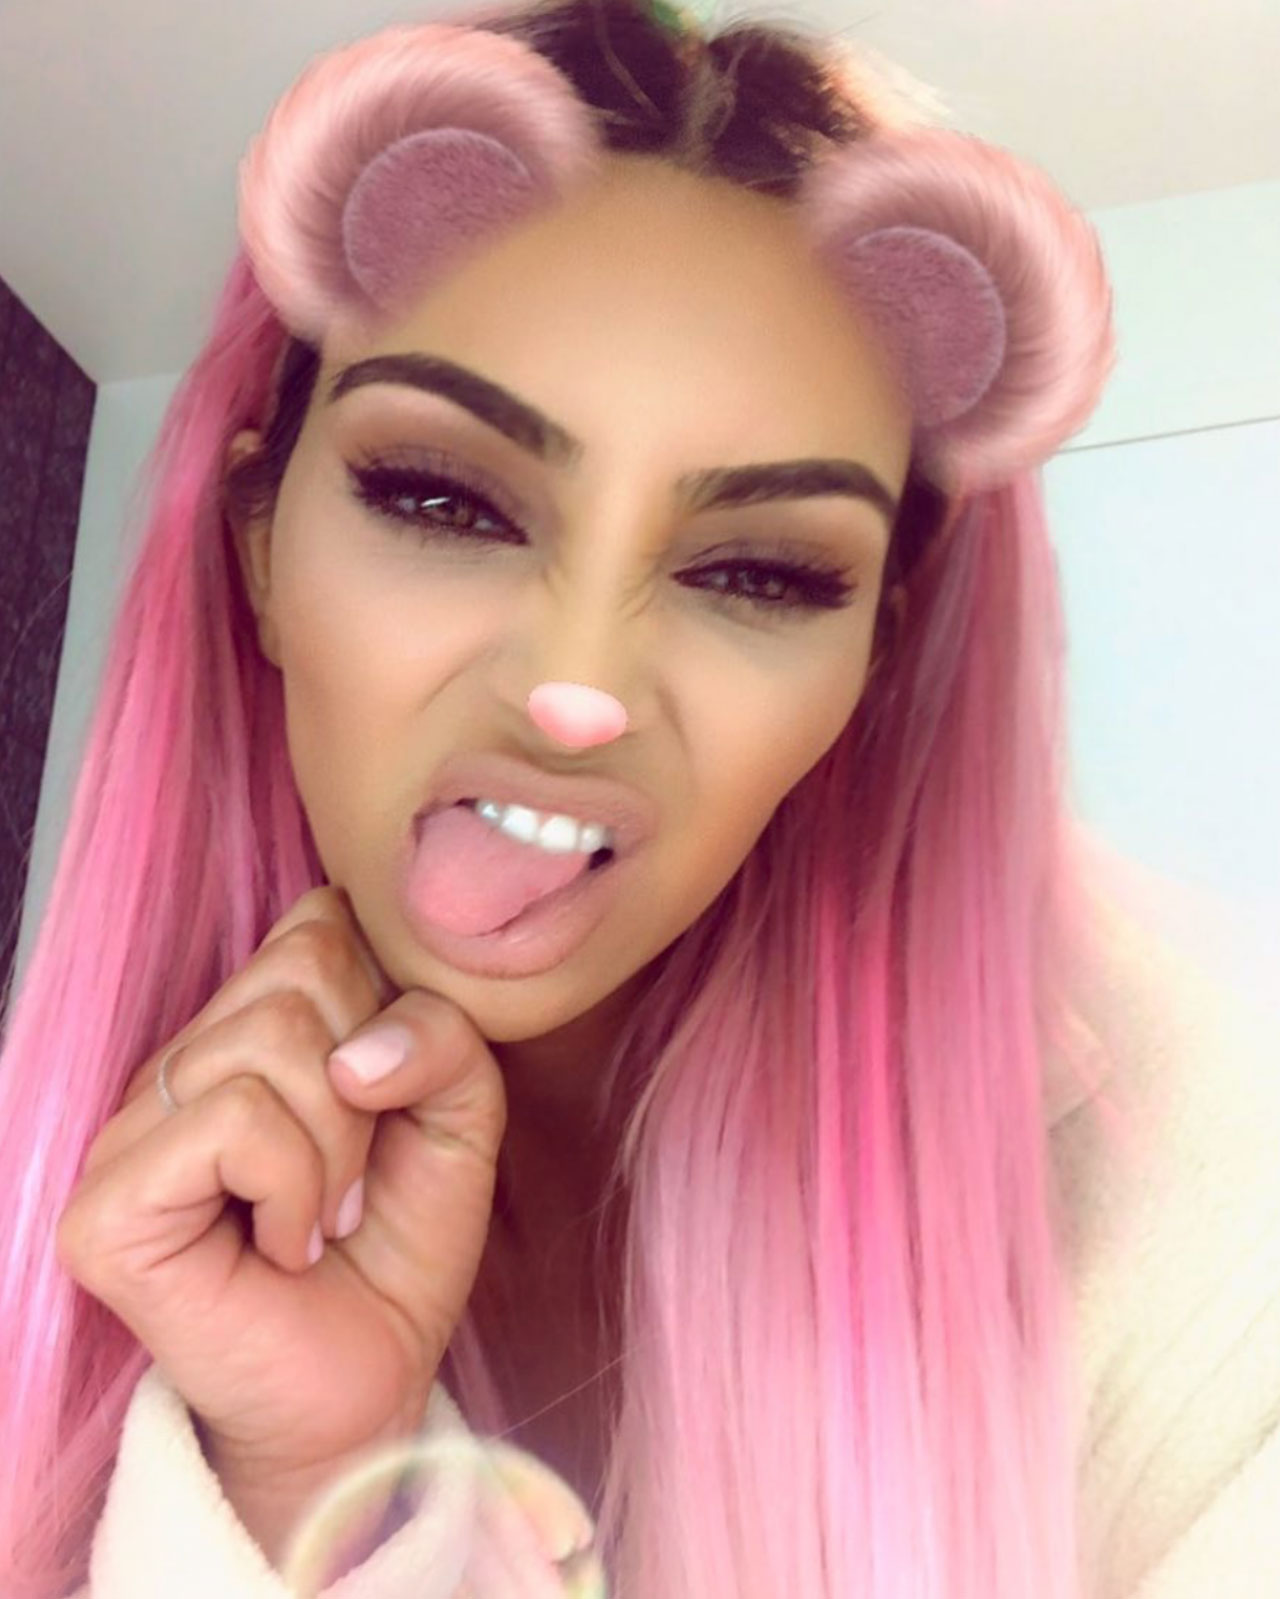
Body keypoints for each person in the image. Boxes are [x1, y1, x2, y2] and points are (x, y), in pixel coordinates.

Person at [1, 0, 1276, 1594]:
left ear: (871, 665)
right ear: (259, 546)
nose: (577, 687)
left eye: (761, 572)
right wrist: (288, 1481)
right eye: (442, 498)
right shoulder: (63, 1232)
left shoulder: (1229, 1197)